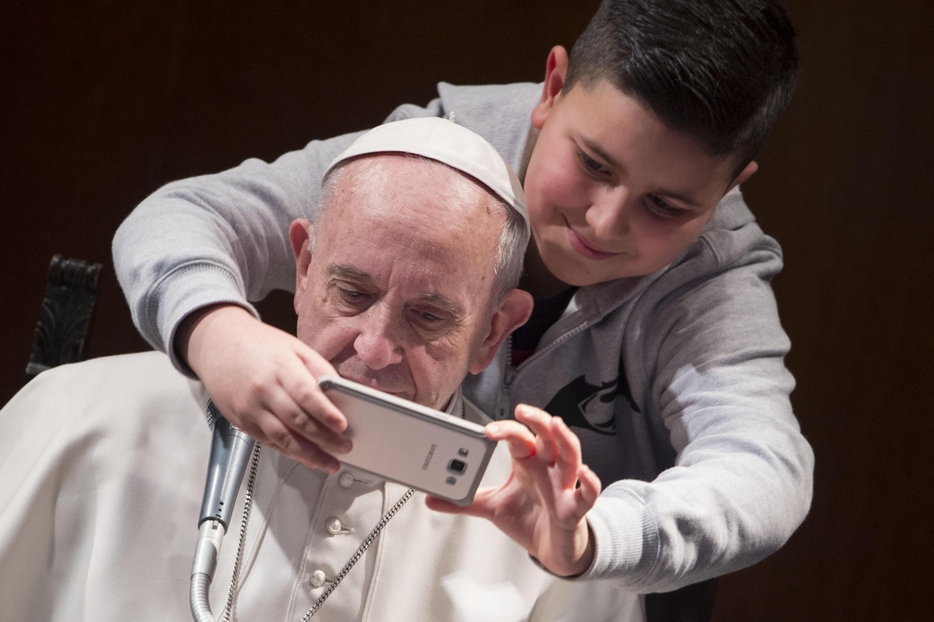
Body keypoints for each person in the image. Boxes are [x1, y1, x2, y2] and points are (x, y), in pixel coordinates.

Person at [113, 0, 815, 614]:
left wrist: (589, 536)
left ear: (729, 188)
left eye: (667, 205)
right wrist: (220, 333)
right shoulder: (434, 153)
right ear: (553, 86)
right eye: (595, 165)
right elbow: (184, 215)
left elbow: (763, 470)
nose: (605, 222)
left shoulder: (710, 282)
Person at [0, 119, 643, 622]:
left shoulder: (548, 533)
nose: (373, 349)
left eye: (426, 317)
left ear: (493, 332)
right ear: (304, 270)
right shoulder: (80, 414)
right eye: (353, 293)